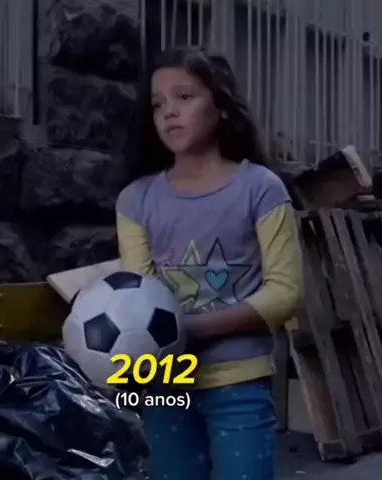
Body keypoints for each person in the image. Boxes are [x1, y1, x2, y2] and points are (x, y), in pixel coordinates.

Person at [115, 46, 303, 480]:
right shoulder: (135, 199)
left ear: (220, 106)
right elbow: (138, 299)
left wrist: (193, 328)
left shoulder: (261, 188)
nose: (169, 112)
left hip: (240, 379)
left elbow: (286, 294)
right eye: (158, 104)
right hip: (165, 381)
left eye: (184, 97)